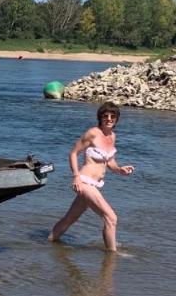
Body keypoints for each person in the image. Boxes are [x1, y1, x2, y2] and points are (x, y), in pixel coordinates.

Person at [48, 101, 135, 251]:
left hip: (95, 184)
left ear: (117, 119)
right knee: (111, 218)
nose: (109, 119)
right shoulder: (93, 133)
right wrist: (75, 176)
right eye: (105, 116)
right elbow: (73, 153)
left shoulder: (112, 136)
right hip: (84, 182)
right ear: (100, 118)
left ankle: (49, 242)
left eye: (112, 116)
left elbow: (109, 161)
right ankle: (112, 255)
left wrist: (120, 169)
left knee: (70, 218)